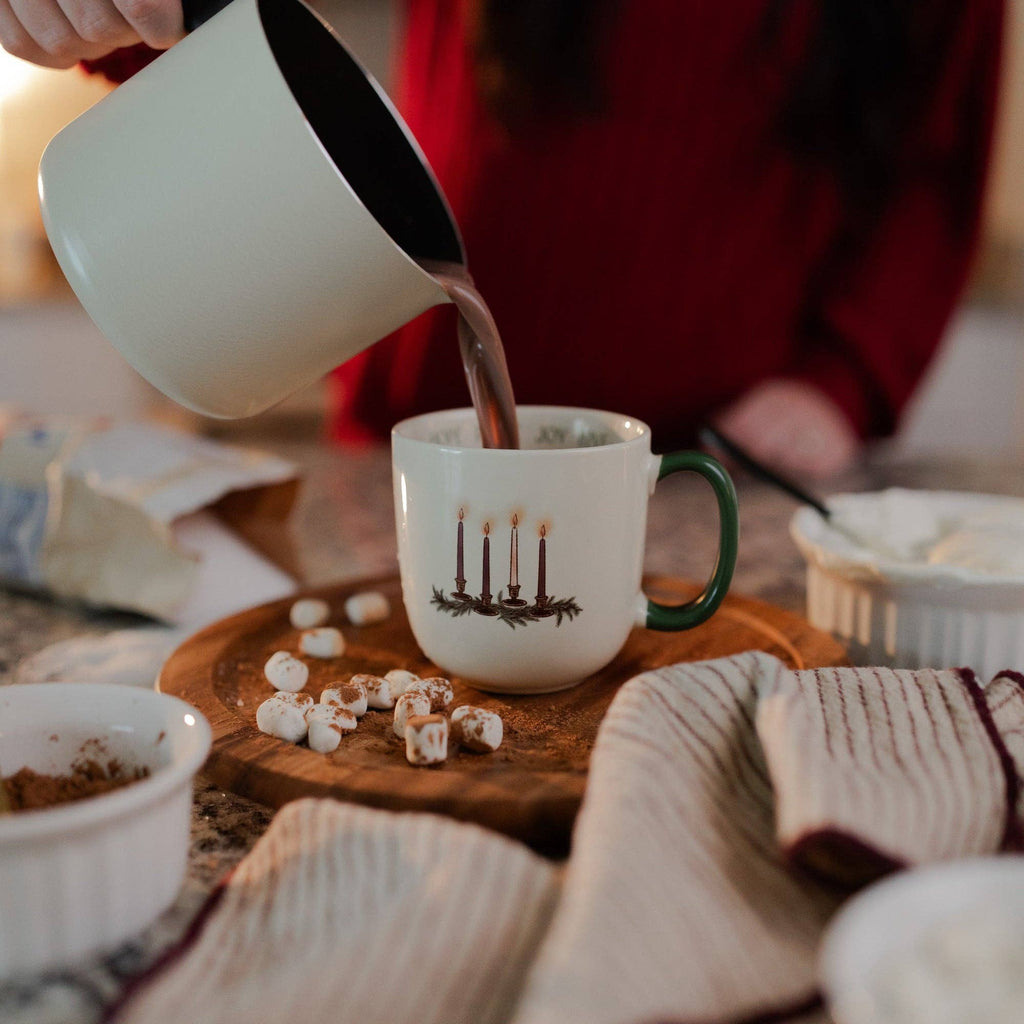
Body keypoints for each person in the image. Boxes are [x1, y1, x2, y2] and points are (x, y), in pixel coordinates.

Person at [1, 0, 1004, 478]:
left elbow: (932, 166)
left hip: (708, 471)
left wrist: (840, 380)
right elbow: (232, 27)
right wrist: (123, 13)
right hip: (407, 445)